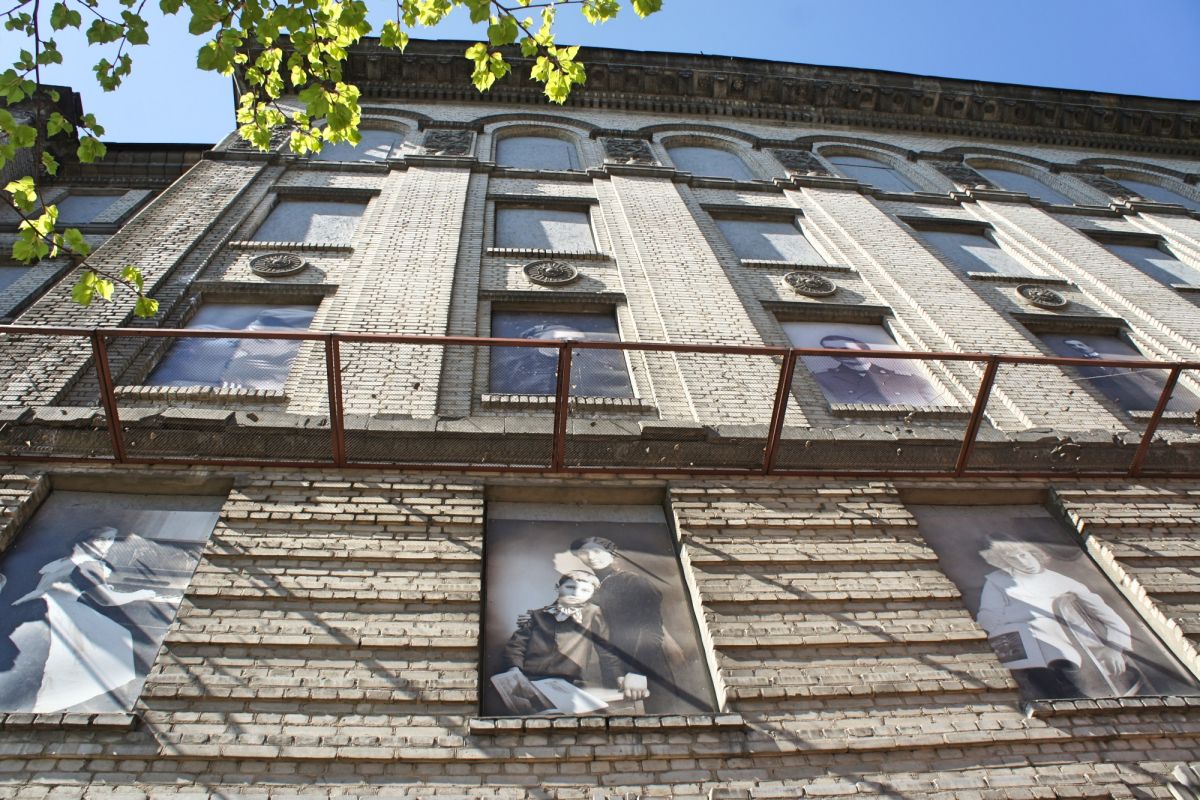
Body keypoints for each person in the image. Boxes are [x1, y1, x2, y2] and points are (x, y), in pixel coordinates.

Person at [1, 525, 180, 714]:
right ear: (85, 540)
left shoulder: (60, 562)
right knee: (113, 643)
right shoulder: (89, 564)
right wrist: (140, 594)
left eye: (110, 541)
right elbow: (105, 599)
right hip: (61, 612)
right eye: (102, 539)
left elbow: (47, 587)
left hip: (33, 606)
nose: (106, 545)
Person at [975, 536, 1136, 699]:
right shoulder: (997, 581)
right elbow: (988, 616)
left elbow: (1112, 619)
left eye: (1023, 555)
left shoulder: (1065, 583)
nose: (1021, 562)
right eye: (1012, 558)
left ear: (1032, 553)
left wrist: (1114, 648)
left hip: (1080, 651)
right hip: (1029, 648)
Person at [570, 536, 690, 713]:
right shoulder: (593, 588)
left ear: (612, 553)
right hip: (614, 668)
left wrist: (638, 672)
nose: (591, 557)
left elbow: (650, 627)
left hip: (643, 661)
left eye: (596, 551)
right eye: (583, 553)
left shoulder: (632, 581)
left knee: (658, 715)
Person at [500, 570, 648, 704]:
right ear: (557, 588)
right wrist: (514, 669)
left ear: (592, 594)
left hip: (570, 679)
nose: (576, 593)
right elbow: (516, 644)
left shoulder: (594, 613)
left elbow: (606, 649)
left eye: (585, 590)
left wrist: (618, 676)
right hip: (530, 677)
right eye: (570, 587)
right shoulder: (537, 614)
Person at [1058, 337, 1193, 412]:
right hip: (1127, 399)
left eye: (1080, 345)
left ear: (1087, 345)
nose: (1078, 348)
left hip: (1151, 392)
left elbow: (1154, 374)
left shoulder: (1117, 356)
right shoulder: (1084, 365)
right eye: (1074, 347)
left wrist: (1160, 386)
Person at [808, 334, 943, 406]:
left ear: (864, 348)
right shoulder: (822, 378)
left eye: (845, 348)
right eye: (832, 350)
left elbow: (938, 405)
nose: (841, 353)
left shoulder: (911, 380)